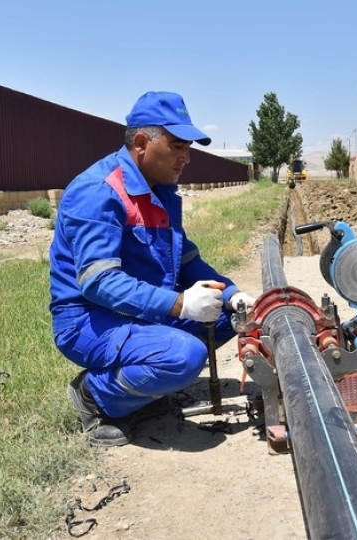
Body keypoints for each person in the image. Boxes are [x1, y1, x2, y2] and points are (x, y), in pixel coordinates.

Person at [49, 91, 256, 447]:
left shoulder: (158, 191)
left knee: (227, 319)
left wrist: (233, 294)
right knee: (184, 355)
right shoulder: (99, 192)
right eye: (178, 146)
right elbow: (98, 281)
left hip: (136, 310)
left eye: (188, 147)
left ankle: (146, 389)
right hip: (88, 318)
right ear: (142, 143)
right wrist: (179, 305)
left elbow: (187, 259)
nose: (187, 158)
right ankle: (94, 396)